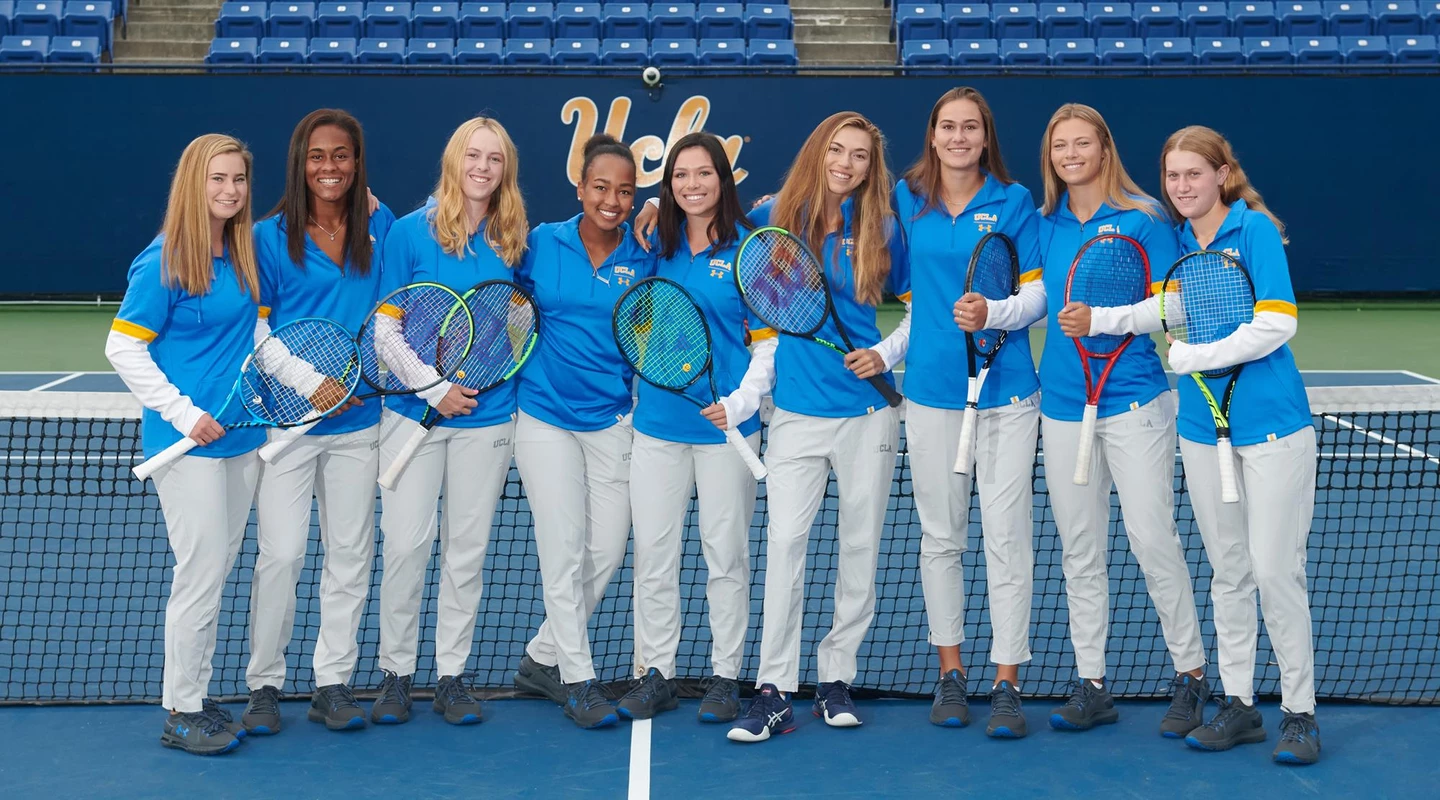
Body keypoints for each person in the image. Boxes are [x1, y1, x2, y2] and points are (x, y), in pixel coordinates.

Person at [724, 112, 908, 743]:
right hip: (796, 417)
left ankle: (836, 678)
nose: (846, 163)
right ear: (818, 151)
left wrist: (886, 354)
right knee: (786, 551)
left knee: (860, 548)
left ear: (870, 165)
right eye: (837, 150)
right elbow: (765, 319)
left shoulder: (883, 227)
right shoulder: (776, 214)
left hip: (868, 415)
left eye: (859, 155)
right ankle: (773, 688)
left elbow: (918, 311)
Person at [1149, 126, 1319, 764]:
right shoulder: (1176, 242)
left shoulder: (1255, 231)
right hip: (1201, 430)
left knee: (1277, 573)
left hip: (1273, 427)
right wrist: (1104, 318)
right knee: (1229, 572)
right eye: (1173, 176)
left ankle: (1299, 715)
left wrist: (1196, 354)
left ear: (1222, 174)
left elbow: (1277, 322)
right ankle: (1240, 705)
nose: (1182, 186)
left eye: (1194, 174)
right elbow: (1162, 312)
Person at [1039, 104, 1210, 736]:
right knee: (1079, 551)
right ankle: (1092, 684)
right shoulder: (1043, 223)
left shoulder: (1146, 218)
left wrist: (1107, 320)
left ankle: (1191, 677)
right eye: (1061, 146)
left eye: (1083, 143)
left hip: (1136, 402)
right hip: (1060, 406)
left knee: (1151, 540)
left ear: (1105, 150)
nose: (1071, 154)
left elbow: (1175, 304)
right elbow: (1036, 297)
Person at [365, 116, 531, 727]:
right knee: (406, 547)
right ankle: (395, 674)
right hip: (412, 416)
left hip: (487, 420)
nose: (483, 167)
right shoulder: (410, 235)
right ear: (453, 160)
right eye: (473, 155)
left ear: (505, 169)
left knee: (467, 550)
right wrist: (433, 387)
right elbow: (384, 328)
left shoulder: (516, 239)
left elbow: (519, 321)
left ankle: (452, 676)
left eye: (494, 158)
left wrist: (488, 374)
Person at [105, 133, 265, 755]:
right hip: (186, 445)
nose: (229, 190)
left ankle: (194, 694)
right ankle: (180, 710)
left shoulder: (241, 251)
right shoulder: (166, 259)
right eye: (217, 179)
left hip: (240, 441)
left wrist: (314, 386)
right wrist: (185, 413)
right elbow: (122, 347)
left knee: (217, 570)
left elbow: (255, 340)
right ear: (193, 183)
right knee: (199, 574)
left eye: (239, 180)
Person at [893, 87, 1045, 737]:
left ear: (986, 139)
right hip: (930, 393)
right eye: (947, 127)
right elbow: (823, 204)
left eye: (970, 128)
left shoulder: (1012, 203)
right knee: (942, 538)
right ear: (932, 135)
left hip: (1007, 393)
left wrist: (995, 314)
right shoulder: (905, 199)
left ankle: (1007, 680)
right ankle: (950, 674)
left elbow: (1034, 296)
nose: (958, 137)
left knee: (1007, 538)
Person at [240, 109, 395, 735]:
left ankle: (332, 682)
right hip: (288, 427)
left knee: (350, 556)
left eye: (341, 156)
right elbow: (259, 334)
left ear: (357, 163)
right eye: (317, 156)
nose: (328, 167)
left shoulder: (380, 225)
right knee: (279, 556)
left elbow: (388, 317)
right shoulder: (265, 237)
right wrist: (317, 386)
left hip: (360, 427)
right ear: (299, 162)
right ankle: (264, 685)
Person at [612, 132, 769, 724]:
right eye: (680, 176)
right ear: (668, 184)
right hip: (657, 423)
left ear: (723, 181)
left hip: (727, 427)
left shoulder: (749, 247)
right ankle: (656, 671)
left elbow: (768, 343)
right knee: (654, 552)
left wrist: (742, 401)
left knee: (725, 554)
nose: (692, 185)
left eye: (704, 174)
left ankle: (726, 675)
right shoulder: (653, 240)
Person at [510, 133, 655, 729]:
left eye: (625, 191)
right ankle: (577, 677)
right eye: (601, 187)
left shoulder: (644, 254)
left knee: (609, 548)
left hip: (612, 418)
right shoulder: (541, 242)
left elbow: (713, 222)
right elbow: (505, 305)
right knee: (563, 549)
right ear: (580, 189)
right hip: (542, 416)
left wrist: (658, 210)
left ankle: (542, 657)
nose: (613, 200)